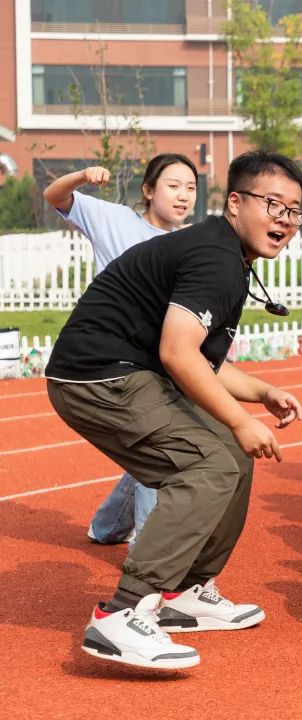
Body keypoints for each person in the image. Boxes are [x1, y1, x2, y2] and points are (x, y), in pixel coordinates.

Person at [45, 150, 302, 669]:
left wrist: (260, 392)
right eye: (273, 204)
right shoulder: (216, 258)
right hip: (99, 375)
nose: (284, 219)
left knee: (230, 454)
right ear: (235, 203)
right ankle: (120, 614)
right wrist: (239, 417)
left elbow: (200, 359)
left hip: (125, 369)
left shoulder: (222, 253)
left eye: (295, 211)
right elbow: (178, 354)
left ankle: (183, 593)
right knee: (207, 465)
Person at [43, 154, 198, 548]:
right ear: (148, 190)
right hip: (113, 357)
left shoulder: (191, 243)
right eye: (173, 186)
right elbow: (54, 195)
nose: (183, 196)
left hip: (160, 358)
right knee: (161, 442)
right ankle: (148, 550)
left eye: (191, 188)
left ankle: (108, 526)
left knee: (156, 445)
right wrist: (81, 175)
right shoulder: (112, 218)